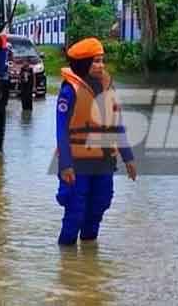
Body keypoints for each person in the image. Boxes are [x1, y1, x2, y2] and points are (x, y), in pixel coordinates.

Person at [55, 37, 137, 245]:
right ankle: (68, 261)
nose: (101, 65)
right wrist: (65, 165)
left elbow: (116, 124)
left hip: (103, 162)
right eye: (96, 61)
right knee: (75, 210)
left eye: (102, 60)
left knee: (100, 204)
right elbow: (61, 130)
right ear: (84, 64)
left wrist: (128, 157)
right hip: (77, 163)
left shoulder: (108, 88)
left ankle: (89, 262)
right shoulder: (69, 91)